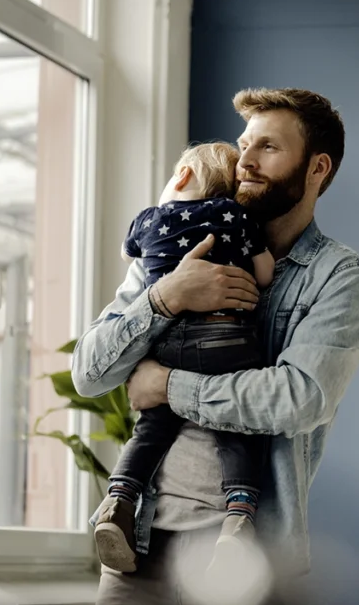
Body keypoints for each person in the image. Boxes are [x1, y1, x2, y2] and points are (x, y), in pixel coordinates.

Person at [71, 88, 359, 605]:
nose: (245, 162)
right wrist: (168, 295)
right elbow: (88, 373)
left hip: (244, 560)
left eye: (268, 148)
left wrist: (167, 385)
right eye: (244, 144)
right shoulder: (175, 248)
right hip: (136, 543)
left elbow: (298, 399)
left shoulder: (339, 276)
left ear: (317, 167)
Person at [93, 141, 275, 576]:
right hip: (227, 339)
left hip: (170, 342)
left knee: (152, 428)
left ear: (181, 176)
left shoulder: (146, 220)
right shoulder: (239, 217)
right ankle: (239, 517)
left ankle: (119, 500)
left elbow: (130, 255)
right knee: (236, 428)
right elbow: (265, 273)